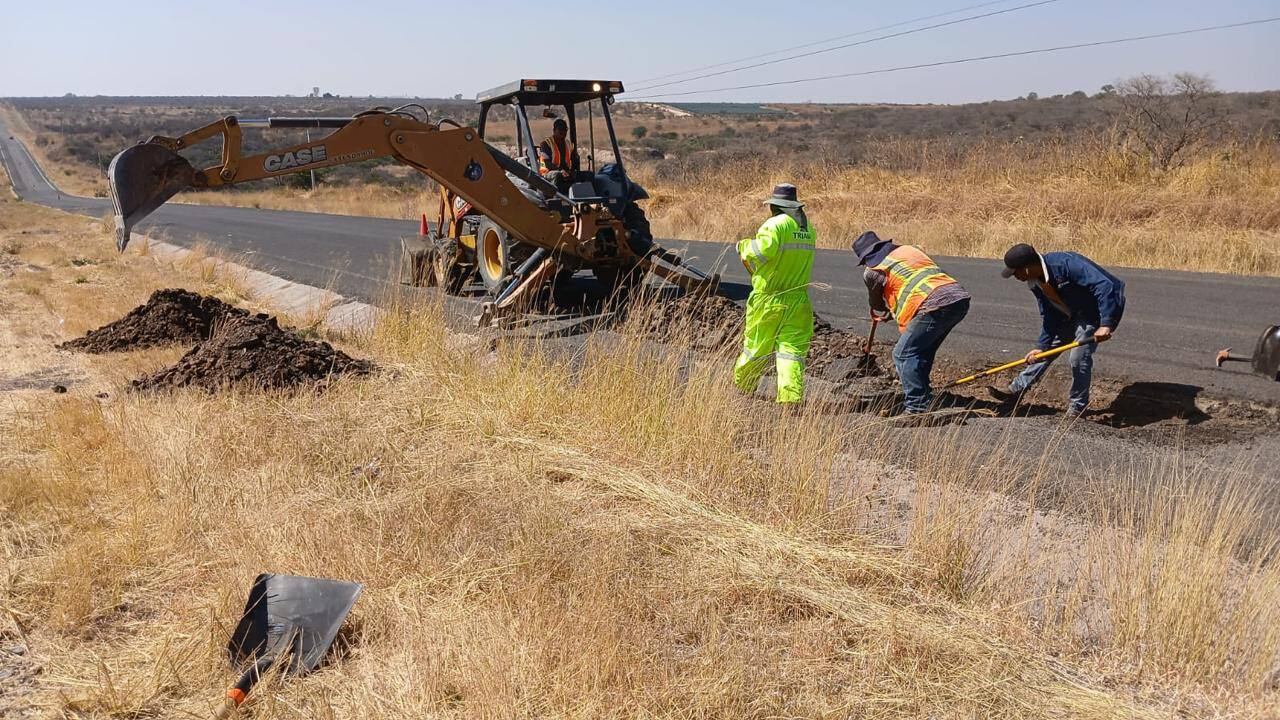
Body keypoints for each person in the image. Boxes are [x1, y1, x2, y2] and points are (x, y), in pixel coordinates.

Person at [991, 242, 1126, 417]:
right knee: (1045, 351)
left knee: (1078, 357)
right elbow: (1049, 313)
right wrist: (1042, 345)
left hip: (1096, 311)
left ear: (1025, 269)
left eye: (1015, 272)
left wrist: (1106, 324)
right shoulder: (1035, 281)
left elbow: (1104, 286)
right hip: (1071, 311)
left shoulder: (1065, 264)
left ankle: (1078, 407)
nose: (1015, 277)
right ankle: (1016, 390)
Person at [852, 231, 971, 415]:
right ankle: (924, 396)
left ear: (865, 258)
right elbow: (914, 282)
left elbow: (876, 302)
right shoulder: (909, 250)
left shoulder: (873, 271)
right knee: (923, 351)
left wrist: (881, 310)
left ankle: (917, 407)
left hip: (933, 305)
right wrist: (893, 312)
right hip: (958, 299)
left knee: (903, 354)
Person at [733, 183, 816, 405]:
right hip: (798, 300)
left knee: (757, 347)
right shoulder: (807, 230)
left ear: (775, 206)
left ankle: (744, 386)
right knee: (791, 351)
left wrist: (744, 247)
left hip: (769, 298)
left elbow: (763, 252)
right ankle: (790, 399)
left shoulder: (774, 225)